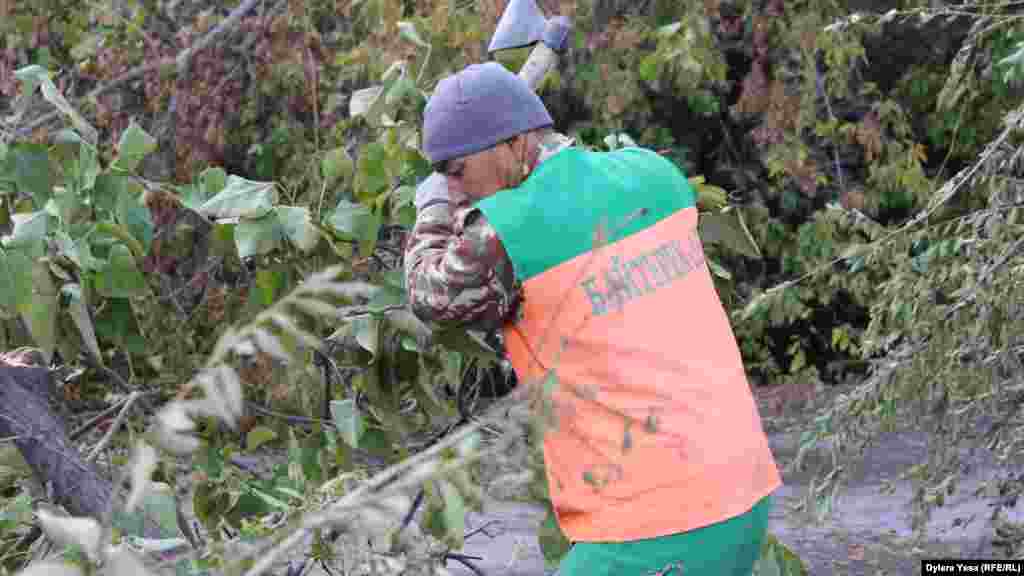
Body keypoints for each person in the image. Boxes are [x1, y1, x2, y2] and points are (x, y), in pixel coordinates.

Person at [404, 62, 782, 576]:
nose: (455, 189)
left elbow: (429, 294)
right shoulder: (657, 176)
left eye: (456, 173)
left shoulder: (507, 231)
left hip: (656, 518)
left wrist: (430, 209)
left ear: (511, 146)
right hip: (743, 491)